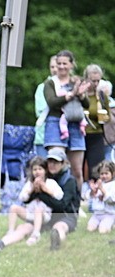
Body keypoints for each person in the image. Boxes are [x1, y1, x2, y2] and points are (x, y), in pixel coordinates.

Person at [0, 148, 79, 251]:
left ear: (63, 163)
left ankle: (56, 243)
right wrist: (33, 190)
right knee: (24, 228)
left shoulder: (69, 181)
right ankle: (0, 243)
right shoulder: (43, 177)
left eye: (56, 162)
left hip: (64, 216)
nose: (52, 165)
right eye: (50, 161)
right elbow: (26, 199)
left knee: (59, 227)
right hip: (42, 216)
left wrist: (41, 193)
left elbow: (61, 205)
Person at [43, 50, 89, 191]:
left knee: (77, 170)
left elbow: (86, 104)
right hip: (56, 123)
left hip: (75, 125)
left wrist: (80, 95)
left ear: (71, 65)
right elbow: (52, 102)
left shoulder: (76, 81)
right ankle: (54, 199)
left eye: (65, 63)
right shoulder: (51, 83)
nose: (62, 66)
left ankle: (76, 200)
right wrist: (70, 95)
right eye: (59, 63)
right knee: (55, 167)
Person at [16, 156, 63, 246]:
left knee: (38, 209)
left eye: (40, 169)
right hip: (30, 213)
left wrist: (46, 189)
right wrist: (31, 190)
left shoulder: (51, 182)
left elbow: (59, 196)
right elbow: (22, 198)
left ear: (45, 170)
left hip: (44, 215)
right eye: (35, 169)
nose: (37, 172)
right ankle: (10, 230)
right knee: (14, 208)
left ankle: (36, 234)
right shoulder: (29, 183)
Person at [82, 64, 113, 175]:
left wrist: (104, 118)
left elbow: (108, 116)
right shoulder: (80, 94)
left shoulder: (102, 96)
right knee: (78, 168)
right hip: (80, 134)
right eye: (93, 81)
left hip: (96, 134)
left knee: (96, 169)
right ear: (86, 79)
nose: (95, 84)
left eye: (98, 81)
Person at [34, 55, 58, 158]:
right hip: (43, 135)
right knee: (42, 164)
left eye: (57, 66)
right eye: (52, 67)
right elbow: (40, 111)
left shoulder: (68, 85)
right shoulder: (42, 87)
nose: (55, 69)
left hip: (62, 135)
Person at [87, 160, 115, 234]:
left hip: (109, 214)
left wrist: (102, 189)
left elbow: (112, 200)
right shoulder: (99, 183)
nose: (104, 176)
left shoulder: (113, 185)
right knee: (90, 229)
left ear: (113, 173)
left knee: (102, 230)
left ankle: (110, 224)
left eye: (106, 173)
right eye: (102, 174)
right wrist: (93, 191)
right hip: (97, 214)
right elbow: (89, 197)